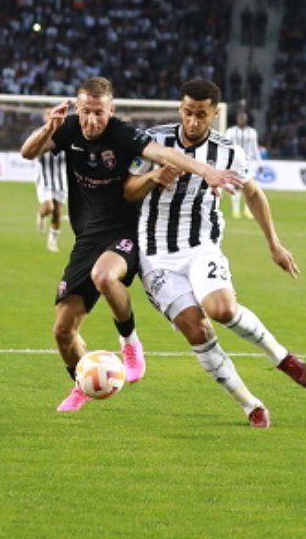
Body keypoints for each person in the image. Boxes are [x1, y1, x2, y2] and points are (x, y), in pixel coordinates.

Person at [20, 77, 243, 412]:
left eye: (99, 112)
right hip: (87, 237)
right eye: (85, 111)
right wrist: (48, 128)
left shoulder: (122, 134)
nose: (92, 120)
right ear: (77, 108)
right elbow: (28, 152)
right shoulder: (67, 129)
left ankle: (130, 343)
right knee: (63, 330)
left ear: (111, 110)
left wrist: (206, 171)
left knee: (104, 276)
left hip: (125, 231)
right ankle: (82, 384)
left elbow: (164, 153)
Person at [125, 79, 306, 428]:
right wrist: (153, 177)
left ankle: (282, 358)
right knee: (197, 330)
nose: (192, 121)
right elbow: (127, 190)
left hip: (201, 247)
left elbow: (253, 193)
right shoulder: (154, 141)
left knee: (222, 309)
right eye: (187, 112)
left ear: (214, 114)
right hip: (156, 257)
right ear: (179, 108)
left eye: (201, 114)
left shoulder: (229, 152)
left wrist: (274, 243)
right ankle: (250, 404)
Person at [225, 111, 260, 219]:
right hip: (236, 162)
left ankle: (247, 210)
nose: (241, 120)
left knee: (249, 187)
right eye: (240, 118)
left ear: (246, 119)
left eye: (243, 118)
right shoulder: (230, 131)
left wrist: (260, 162)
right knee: (236, 186)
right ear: (237, 119)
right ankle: (236, 210)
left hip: (249, 163)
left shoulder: (252, 132)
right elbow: (227, 147)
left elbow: (255, 148)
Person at [35, 149, 67, 252]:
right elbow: (32, 153)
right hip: (44, 181)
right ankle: (41, 213)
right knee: (49, 207)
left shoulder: (65, 140)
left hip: (61, 181)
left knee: (57, 212)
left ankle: (52, 241)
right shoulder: (42, 139)